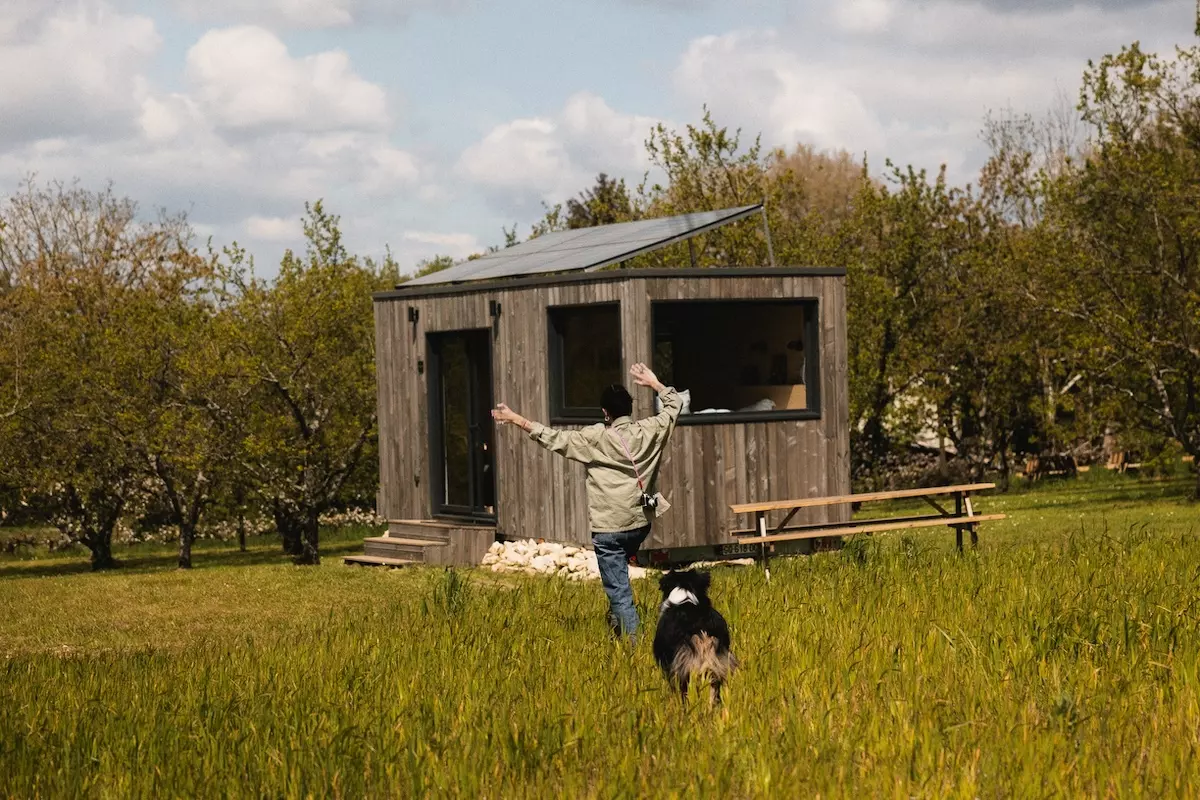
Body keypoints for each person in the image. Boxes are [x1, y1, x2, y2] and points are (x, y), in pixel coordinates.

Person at [491, 362, 683, 640]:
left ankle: (633, 645)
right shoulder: (651, 429)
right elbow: (674, 404)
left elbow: (553, 438)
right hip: (640, 523)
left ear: (605, 413)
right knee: (618, 575)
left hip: (608, 529)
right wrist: (654, 383)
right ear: (630, 410)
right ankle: (616, 623)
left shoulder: (595, 438)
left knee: (619, 590)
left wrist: (515, 418)